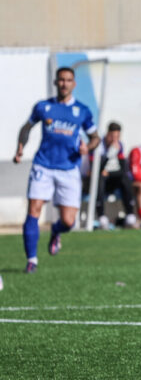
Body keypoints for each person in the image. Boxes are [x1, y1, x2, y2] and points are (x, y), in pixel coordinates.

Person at [13, 66, 100, 273]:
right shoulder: (44, 107)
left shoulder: (82, 111)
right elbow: (26, 127)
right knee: (34, 209)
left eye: (68, 80)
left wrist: (88, 147)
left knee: (69, 221)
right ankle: (32, 260)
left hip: (69, 169)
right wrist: (20, 147)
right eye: (61, 80)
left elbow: (95, 137)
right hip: (43, 165)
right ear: (55, 82)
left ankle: (56, 230)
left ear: (74, 84)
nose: (64, 84)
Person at [94, 122, 137, 229]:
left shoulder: (119, 145)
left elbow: (122, 169)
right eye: (112, 136)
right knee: (100, 178)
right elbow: (96, 170)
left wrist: (108, 172)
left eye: (117, 137)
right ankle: (101, 216)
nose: (114, 140)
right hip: (96, 181)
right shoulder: (99, 146)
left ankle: (130, 215)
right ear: (107, 134)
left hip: (111, 179)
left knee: (125, 178)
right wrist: (109, 154)